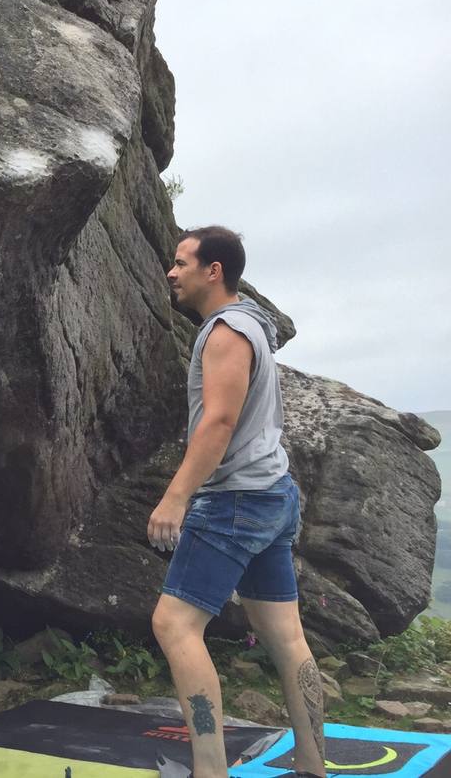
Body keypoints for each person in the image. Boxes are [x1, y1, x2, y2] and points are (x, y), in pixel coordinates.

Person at [149, 226, 324, 778]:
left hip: (235, 501)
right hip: (274, 493)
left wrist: (176, 497)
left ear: (213, 270)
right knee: (287, 637)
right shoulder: (254, 324)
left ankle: (208, 771)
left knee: (174, 624)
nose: (172, 273)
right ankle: (313, 766)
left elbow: (219, 421)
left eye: (181, 263)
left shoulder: (225, 333)